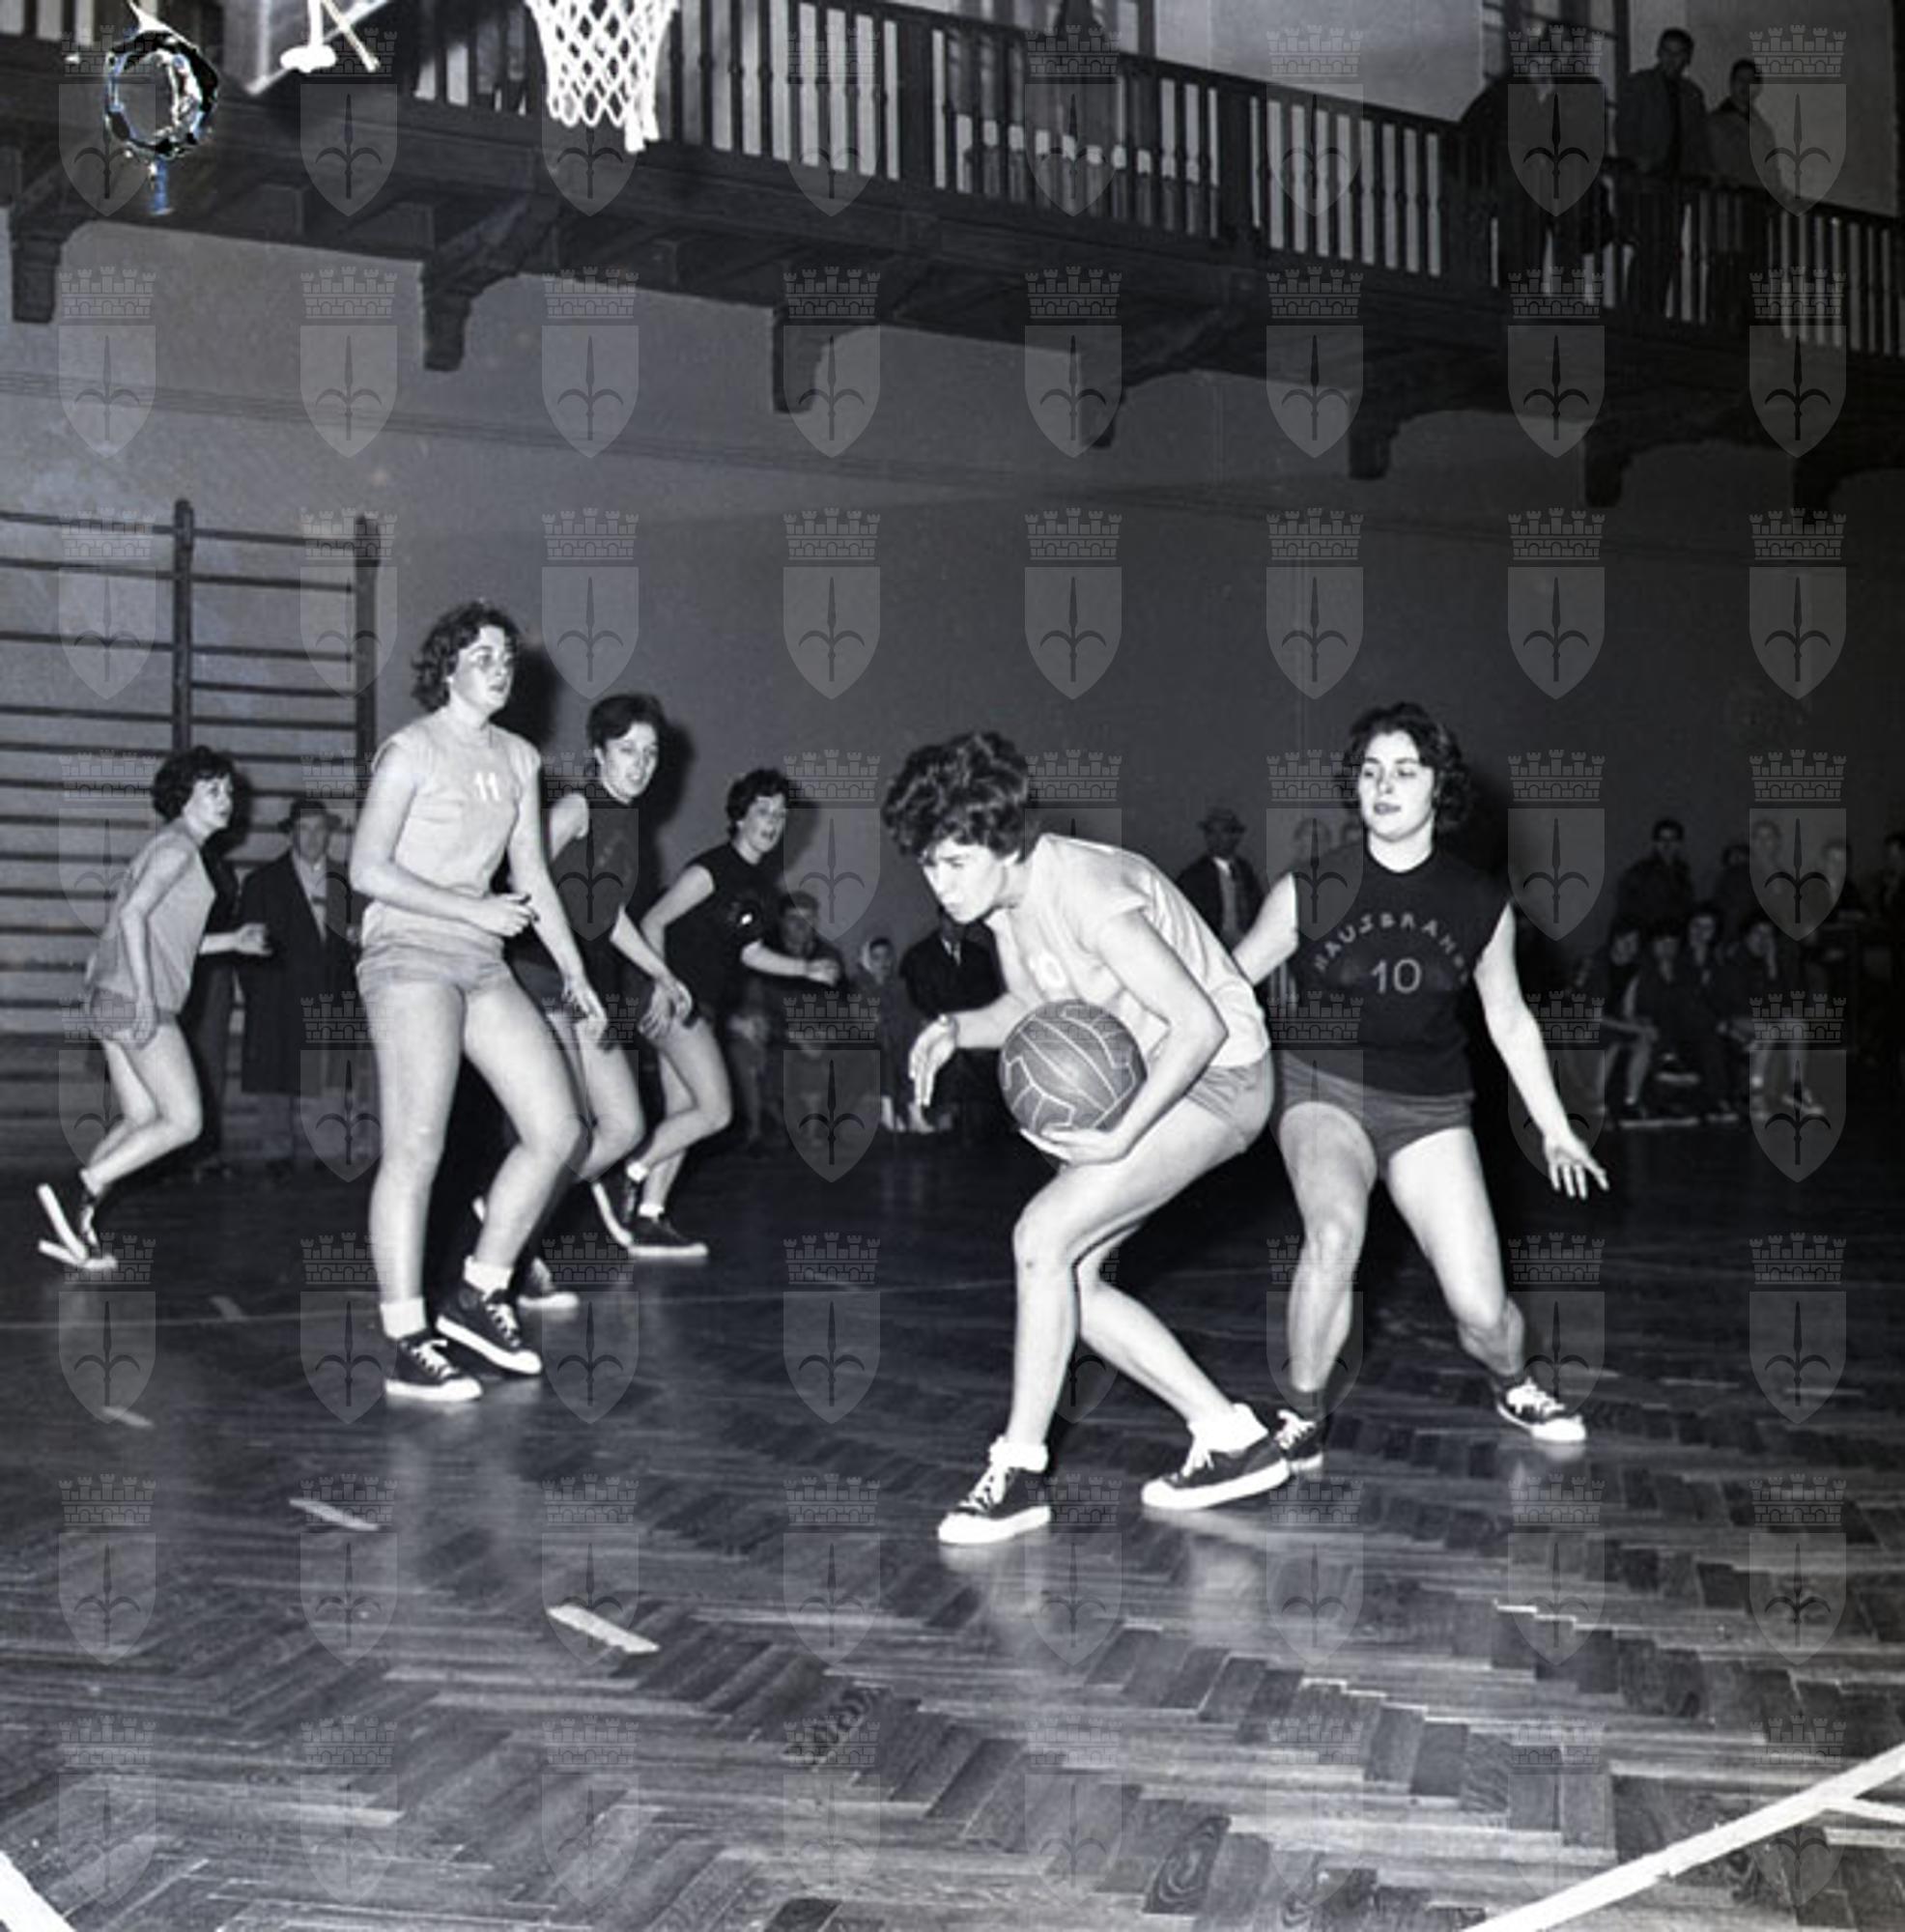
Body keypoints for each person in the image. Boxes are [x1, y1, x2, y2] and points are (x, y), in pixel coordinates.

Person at [888, 731, 1282, 1544]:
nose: (940, 883)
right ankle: (1230, 1438)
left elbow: (1199, 1025)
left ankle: (1018, 1473)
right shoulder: (1005, 905)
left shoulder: (1088, 889)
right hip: (1168, 1074)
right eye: (928, 865)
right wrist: (956, 1029)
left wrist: (1121, 1137)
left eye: (954, 862)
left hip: (1222, 1076)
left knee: (1041, 1236)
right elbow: (1032, 1007)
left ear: (1005, 843)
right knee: (1071, 1281)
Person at [1234, 702, 1609, 1475]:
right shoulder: (1309, 888)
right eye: (1371, 771)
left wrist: (1556, 1128)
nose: (1384, 786)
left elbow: (1509, 1020)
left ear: (1440, 786)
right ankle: (1301, 1414)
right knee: (1334, 1233)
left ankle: (1512, 1382)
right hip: (1322, 1088)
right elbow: (1229, 986)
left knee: (1483, 1312)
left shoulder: (1479, 902)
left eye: (1405, 771)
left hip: (1429, 1106)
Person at [349, 604, 603, 1405]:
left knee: (559, 1130)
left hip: (481, 961)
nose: (500, 668)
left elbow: (532, 876)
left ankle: (478, 1293)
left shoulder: (520, 758)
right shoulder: (411, 751)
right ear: (447, 668)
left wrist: (575, 972)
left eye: (506, 657)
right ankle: (405, 1338)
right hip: (409, 954)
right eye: (482, 655)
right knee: (417, 1146)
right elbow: (365, 869)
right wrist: (469, 909)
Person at [39, 748, 271, 1269]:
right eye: (212, 790)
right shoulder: (179, 850)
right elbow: (134, 918)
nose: (226, 800)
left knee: (143, 1117)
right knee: (186, 1122)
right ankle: (87, 1183)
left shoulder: (170, 846)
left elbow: (166, 937)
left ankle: (79, 1225)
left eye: (228, 790)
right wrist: (145, 997)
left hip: (109, 996)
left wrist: (232, 940)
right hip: (134, 999)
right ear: (183, 798)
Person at [614, 771, 842, 1257]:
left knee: (684, 1113)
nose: (773, 822)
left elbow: (749, 952)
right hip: (673, 997)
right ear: (739, 817)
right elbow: (653, 920)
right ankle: (628, 1170)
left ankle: (649, 1217)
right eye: (763, 811)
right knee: (718, 1111)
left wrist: (806, 968)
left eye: (780, 814)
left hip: (703, 1003)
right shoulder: (712, 869)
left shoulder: (761, 888)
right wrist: (662, 984)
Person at [501, 692, 690, 1268]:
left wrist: (661, 971)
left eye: (650, 753)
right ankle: (515, 1251)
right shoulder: (578, 807)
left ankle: (505, 1215)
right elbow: (522, 869)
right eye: (627, 750)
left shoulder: (628, 821)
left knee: (626, 1126)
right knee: (560, 1125)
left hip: (586, 982)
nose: (641, 764)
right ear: (599, 752)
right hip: (541, 971)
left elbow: (608, 915)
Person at [238, 796, 355, 1179]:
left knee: (328, 1077)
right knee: (276, 1076)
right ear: (290, 834)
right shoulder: (261, 883)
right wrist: (261, 998)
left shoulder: (347, 880)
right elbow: (246, 954)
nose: (312, 838)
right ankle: (277, 1153)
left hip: (331, 993)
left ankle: (328, 1150)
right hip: (279, 995)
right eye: (304, 829)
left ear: (329, 834)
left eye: (319, 829)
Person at [1614, 28, 1711, 316]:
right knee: (1647, 250)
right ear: (1658, 52)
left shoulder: (1693, 95)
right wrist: (1636, 158)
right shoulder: (1640, 84)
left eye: (1678, 54)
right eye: (1667, 52)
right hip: (1645, 184)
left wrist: (1696, 180)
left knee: (1668, 253)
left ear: (1687, 58)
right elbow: (1623, 129)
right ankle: (1634, 315)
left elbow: (1698, 143)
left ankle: (1653, 314)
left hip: (1675, 188)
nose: (1671, 59)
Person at [900, 907, 1006, 1139]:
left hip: (976, 1026)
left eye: (962, 923)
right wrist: (951, 1024)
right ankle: (951, 1117)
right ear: (940, 920)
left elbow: (990, 997)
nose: (957, 928)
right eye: (951, 921)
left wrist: (976, 1024)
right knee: (954, 1053)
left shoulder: (979, 955)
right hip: (938, 1024)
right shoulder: (918, 956)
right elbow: (919, 1000)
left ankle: (991, 1121)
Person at [1706, 57, 1774, 331]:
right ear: (1730, 84)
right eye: (1740, 81)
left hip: (1755, 206)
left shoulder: (1763, 129)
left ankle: (1749, 327)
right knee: (1726, 266)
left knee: (1754, 267)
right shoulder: (1714, 122)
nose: (1745, 87)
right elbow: (1708, 162)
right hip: (1727, 205)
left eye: (1751, 82)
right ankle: (1719, 325)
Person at [1175, 805, 1264, 954]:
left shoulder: (1245, 870)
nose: (1216, 839)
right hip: (1211, 948)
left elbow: (1257, 907)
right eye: (1211, 833)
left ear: (1236, 837)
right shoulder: (1193, 876)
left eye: (1224, 832)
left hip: (1247, 946)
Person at [1613, 816, 1695, 935]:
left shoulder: (1683, 874)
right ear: (1655, 843)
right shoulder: (1640, 872)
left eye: (1672, 839)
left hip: (1674, 935)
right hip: (1647, 934)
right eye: (1662, 839)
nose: (1667, 845)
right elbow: (1625, 906)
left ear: (1679, 844)